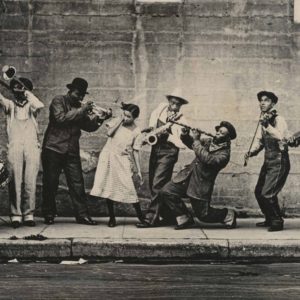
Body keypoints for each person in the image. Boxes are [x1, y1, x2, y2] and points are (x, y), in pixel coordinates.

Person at [138, 121, 237, 230]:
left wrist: (196, 140)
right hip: (187, 177)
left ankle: (228, 214)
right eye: (218, 131)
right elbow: (192, 144)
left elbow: (207, 159)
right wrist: (186, 135)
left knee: (204, 216)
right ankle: (184, 218)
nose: (217, 133)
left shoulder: (224, 154)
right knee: (166, 191)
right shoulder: (209, 141)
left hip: (200, 184)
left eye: (222, 133)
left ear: (227, 138)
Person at [42, 77, 111, 225]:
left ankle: (82, 215)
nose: (80, 97)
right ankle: (48, 213)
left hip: (71, 150)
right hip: (53, 148)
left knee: (77, 184)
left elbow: (89, 127)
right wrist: (82, 110)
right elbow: (60, 119)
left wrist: (100, 119)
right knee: (50, 183)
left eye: (82, 95)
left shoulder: (81, 108)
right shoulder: (58, 101)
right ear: (70, 90)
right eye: (77, 94)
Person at [137, 92, 189, 227]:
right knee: (156, 184)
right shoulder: (161, 108)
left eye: (178, 104)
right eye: (172, 102)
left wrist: (168, 136)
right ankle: (171, 216)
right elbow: (153, 121)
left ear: (181, 105)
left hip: (169, 152)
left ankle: (150, 219)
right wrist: (151, 130)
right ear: (169, 100)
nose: (174, 106)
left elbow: (182, 145)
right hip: (156, 150)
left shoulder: (182, 121)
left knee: (157, 184)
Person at [90, 102, 144, 227]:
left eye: (129, 117)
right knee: (109, 186)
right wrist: (120, 120)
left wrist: (139, 170)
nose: (126, 118)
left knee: (129, 187)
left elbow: (136, 151)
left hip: (122, 159)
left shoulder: (137, 131)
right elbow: (109, 134)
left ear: (135, 118)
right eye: (124, 115)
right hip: (108, 156)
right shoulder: (116, 122)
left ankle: (140, 216)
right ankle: (112, 218)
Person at [0, 77, 44, 228]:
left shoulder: (31, 105)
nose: (18, 89)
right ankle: (16, 214)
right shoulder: (10, 105)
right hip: (15, 145)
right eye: (16, 86)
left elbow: (39, 105)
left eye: (22, 87)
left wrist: (27, 93)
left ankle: (28, 214)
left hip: (31, 144)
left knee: (30, 179)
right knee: (15, 179)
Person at [244, 91, 290, 232]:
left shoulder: (278, 119)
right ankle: (269, 218)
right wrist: (252, 151)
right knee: (259, 191)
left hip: (279, 161)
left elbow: (281, 136)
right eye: (261, 100)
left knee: (268, 193)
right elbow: (259, 141)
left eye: (266, 100)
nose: (262, 103)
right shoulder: (263, 119)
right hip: (268, 161)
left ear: (273, 104)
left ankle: (277, 221)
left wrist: (267, 126)